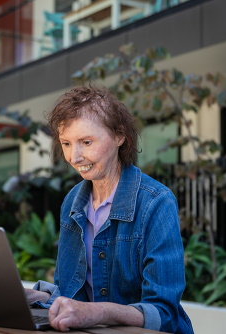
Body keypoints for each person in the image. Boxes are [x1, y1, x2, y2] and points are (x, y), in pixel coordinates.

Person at [25, 84, 194, 334]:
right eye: (67, 143)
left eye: (86, 141)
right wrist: (32, 295)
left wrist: (99, 311)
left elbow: (164, 313)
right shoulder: (73, 202)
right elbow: (73, 295)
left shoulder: (156, 201)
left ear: (119, 136)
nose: (74, 156)